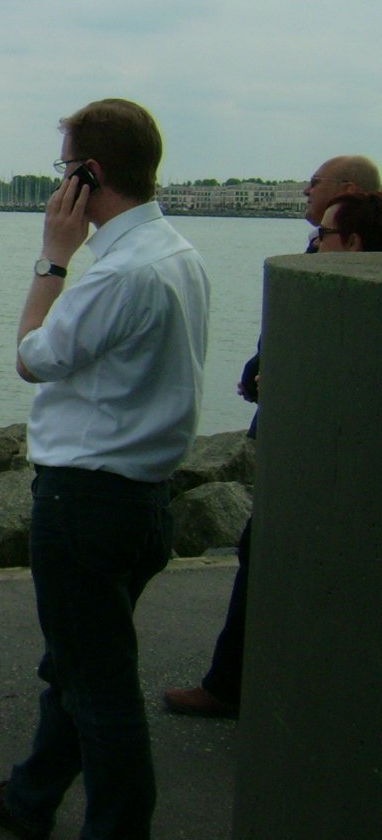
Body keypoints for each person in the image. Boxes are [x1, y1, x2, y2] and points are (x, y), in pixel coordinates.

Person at [0, 99, 209, 840]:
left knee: (101, 690)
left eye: (64, 169)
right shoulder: (178, 254)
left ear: (88, 173)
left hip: (86, 501)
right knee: (74, 664)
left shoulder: (118, 274)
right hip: (144, 498)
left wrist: (53, 256)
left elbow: (31, 356)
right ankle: (31, 795)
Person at [164, 162, 379, 721]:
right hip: (300, 437)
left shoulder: (349, 283)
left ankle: (231, 686)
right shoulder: (320, 260)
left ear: (349, 200)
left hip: (317, 450)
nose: (307, 192)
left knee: (265, 554)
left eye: (317, 185)